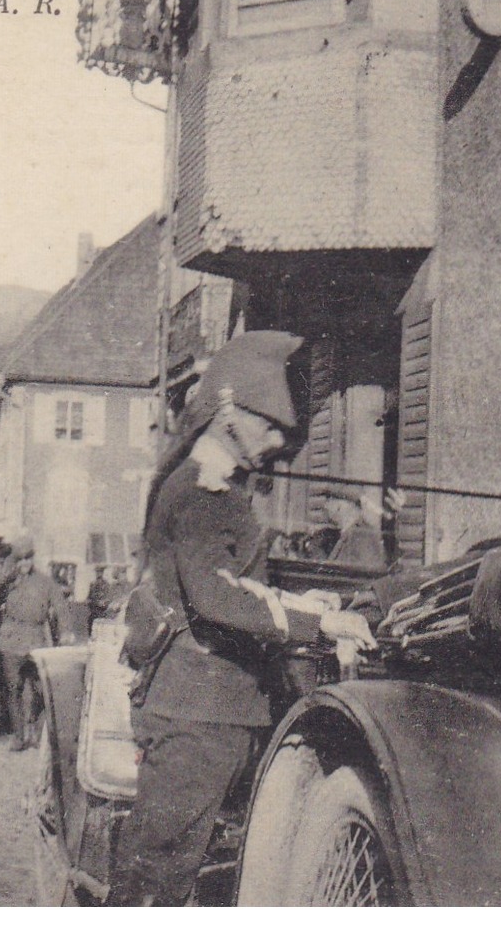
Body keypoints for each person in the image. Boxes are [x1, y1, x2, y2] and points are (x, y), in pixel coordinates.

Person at [108, 331, 378, 906]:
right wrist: (320, 626)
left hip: (212, 709)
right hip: (198, 713)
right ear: (228, 411)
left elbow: (242, 585)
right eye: (269, 424)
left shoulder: (220, 488)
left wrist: (312, 606)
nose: (279, 440)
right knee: (156, 878)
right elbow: (217, 598)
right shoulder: (202, 491)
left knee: (178, 869)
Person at [0, 535, 71, 750]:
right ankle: (19, 736)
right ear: (14, 561)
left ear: (33, 559)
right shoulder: (7, 581)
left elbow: (61, 607)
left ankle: (35, 732)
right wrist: (6, 577)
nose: (24, 564)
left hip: (36, 639)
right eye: (20, 559)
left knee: (40, 690)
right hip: (11, 640)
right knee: (13, 689)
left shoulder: (45, 582)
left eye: (28, 559)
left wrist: (65, 631)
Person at [86, 565, 113, 630]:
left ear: (102, 573)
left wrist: (103, 603)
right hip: (93, 612)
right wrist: (91, 602)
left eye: (100, 572)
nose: (98, 574)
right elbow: (88, 598)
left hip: (102, 613)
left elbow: (108, 599)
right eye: (97, 572)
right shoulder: (92, 584)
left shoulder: (106, 585)